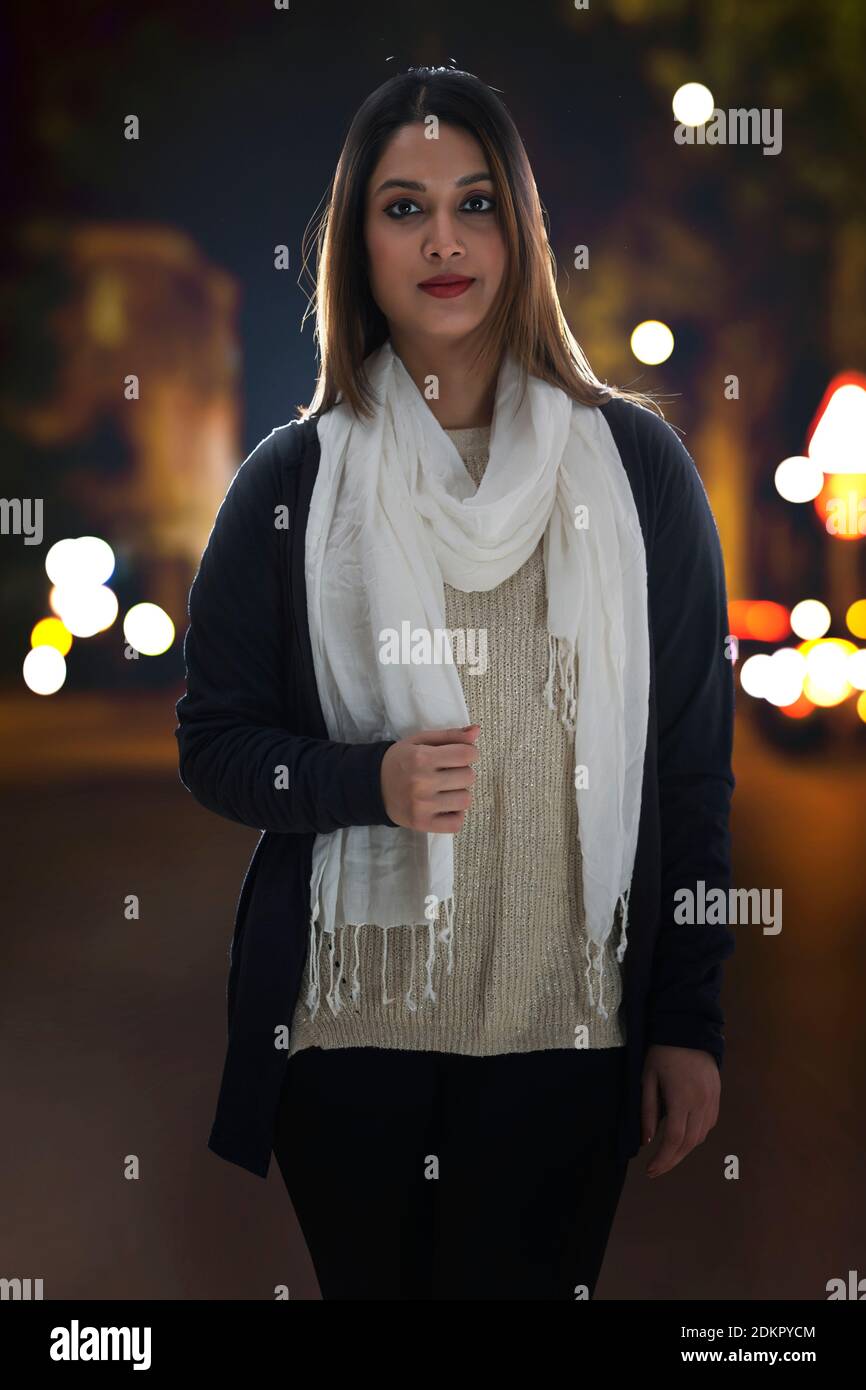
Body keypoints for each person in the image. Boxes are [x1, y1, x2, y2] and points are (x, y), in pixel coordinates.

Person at [175, 64, 736, 1301]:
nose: (442, 239)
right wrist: (358, 779)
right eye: (402, 205)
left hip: (570, 1038)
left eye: (475, 203)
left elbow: (692, 768)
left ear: (519, 233)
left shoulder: (635, 470)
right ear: (357, 242)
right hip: (349, 1042)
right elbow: (215, 742)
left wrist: (687, 1019)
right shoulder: (293, 480)